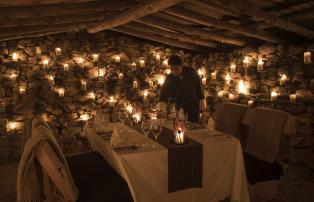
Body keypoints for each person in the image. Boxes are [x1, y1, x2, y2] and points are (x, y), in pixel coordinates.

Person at [159, 55, 206, 122]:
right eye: (171, 69)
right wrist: (162, 103)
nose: (173, 71)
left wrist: (202, 105)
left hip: (193, 107)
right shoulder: (170, 77)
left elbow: (199, 87)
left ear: (182, 66)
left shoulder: (192, 73)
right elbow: (164, 91)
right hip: (179, 107)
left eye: (176, 68)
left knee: (193, 128)